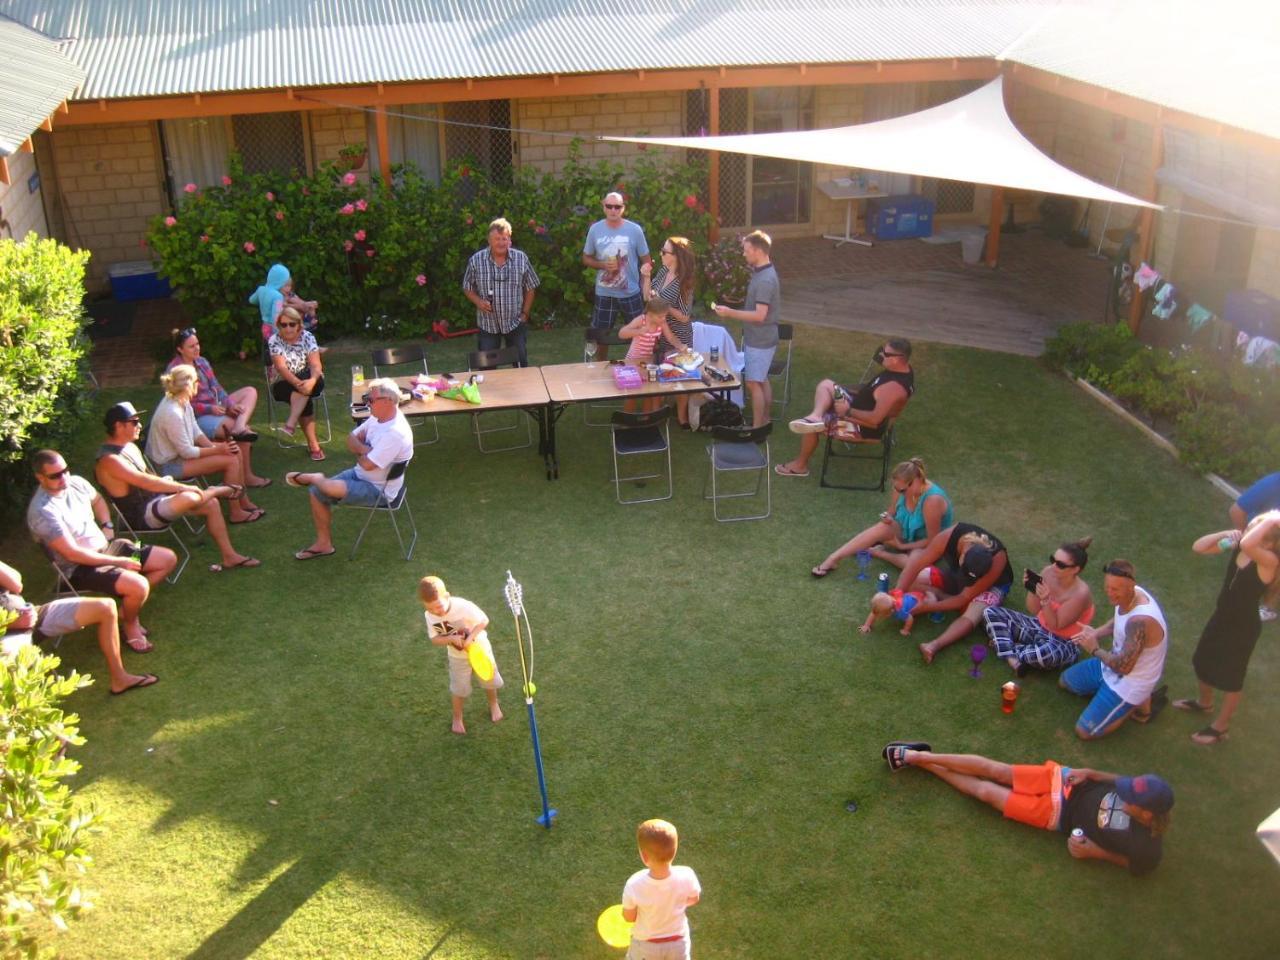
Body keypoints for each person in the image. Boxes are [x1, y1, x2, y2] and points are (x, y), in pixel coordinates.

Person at [881, 742, 1172, 876]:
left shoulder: (1147, 848)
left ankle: (923, 763)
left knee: (985, 793)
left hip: (1057, 816)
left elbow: (1135, 866)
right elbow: (1115, 779)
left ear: (1147, 814)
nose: (1124, 793)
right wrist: (1088, 772)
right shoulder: (1139, 790)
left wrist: (1095, 852)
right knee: (996, 770)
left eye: (1129, 798)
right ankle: (919, 754)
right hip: (1066, 781)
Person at [27, 449, 176, 652]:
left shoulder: (76, 482)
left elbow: (97, 500)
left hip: (110, 547)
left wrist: (107, 525)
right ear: (40, 477)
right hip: (81, 566)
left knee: (167, 559)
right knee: (138, 585)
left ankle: (125, 612)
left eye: (65, 470)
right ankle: (130, 625)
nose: (63, 478)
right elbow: (72, 553)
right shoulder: (42, 511)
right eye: (55, 475)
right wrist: (119, 563)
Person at [95, 401, 261, 573]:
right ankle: (216, 491)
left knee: (211, 504)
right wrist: (184, 488)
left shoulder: (128, 446)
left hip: (155, 500)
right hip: (141, 514)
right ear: (119, 426)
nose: (140, 425)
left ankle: (229, 556)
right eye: (135, 422)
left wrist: (173, 487)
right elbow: (146, 482)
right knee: (190, 495)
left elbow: (151, 478)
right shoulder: (110, 460)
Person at [1173, 510, 1280, 744]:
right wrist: (1225, 534)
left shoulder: (1270, 561)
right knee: (1201, 660)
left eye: (1256, 530)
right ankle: (1205, 703)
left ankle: (1221, 727)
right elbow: (1199, 547)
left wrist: (1272, 519)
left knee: (1232, 678)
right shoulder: (1242, 547)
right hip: (1222, 617)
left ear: (1271, 543)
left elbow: (1249, 543)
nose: (1249, 533)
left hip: (1242, 627)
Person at [285, 378, 413, 560]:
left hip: (379, 490)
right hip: (362, 475)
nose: (367, 402)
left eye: (372, 399)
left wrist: (361, 452)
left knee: (323, 486)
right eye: (367, 398)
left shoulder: (395, 433)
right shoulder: (378, 419)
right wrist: (363, 450)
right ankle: (324, 544)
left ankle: (316, 477)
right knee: (316, 491)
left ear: (389, 401)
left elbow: (366, 464)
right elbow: (350, 439)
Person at [1, 559, 157, 694]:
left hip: (32, 614)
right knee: (10, 662)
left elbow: (16, 583)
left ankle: (120, 679)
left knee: (105, 607)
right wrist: (11, 622)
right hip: (6, 635)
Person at [1060, 559, 1168, 739]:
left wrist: (1094, 649)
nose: (1109, 593)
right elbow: (1118, 621)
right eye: (1107, 587)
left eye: (1115, 589)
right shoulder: (1131, 596)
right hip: (1112, 662)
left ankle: (1135, 704)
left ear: (1131, 586)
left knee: (1085, 732)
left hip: (1131, 681)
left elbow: (1124, 667)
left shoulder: (1141, 621)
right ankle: (1110, 696)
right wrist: (1096, 633)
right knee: (1065, 681)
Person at [145, 365, 265, 524]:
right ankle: (236, 512)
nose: (199, 385)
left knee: (233, 452)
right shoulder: (172, 413)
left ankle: (243, 501)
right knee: (230, 460)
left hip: (180, 455)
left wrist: (214, 448)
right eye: (196, 381)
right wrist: (218, 449)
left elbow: (195, 430)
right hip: (168, 465)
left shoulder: (181, 400)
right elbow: (187, 452)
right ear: (188, 386)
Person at [776, 339, 913, 477]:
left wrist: (847, 411)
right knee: (827, 384)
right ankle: (815, 416)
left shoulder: (893, 388)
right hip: (855, 405)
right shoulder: (904, 370)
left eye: (886, 354)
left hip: (861, 427)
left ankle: (800, 466)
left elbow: (874, 420)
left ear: (897, 359)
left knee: (811, 427)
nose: (881, 355)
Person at [811, 457, 952, 577]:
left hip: (927, 542)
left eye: (902, 490)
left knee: (914, 565)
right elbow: (892, 511)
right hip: (906, 530)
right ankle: (833, 559)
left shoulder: (932, 500)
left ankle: (878, 553)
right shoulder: (900, 486)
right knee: (881, 527)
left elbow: (933, 540)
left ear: (918, 480)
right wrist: (887, 518)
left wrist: (903, 545)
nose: (899, 492)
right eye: (896, 489)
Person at [895, 522, 1012, 664]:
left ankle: (933, 645)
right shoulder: (948, 537)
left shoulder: (997, 560)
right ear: (962, 555)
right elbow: (918, 564)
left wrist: (926, 608)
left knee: (973, 612)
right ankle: (942, 596)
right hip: (956, 574)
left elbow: (964, 597)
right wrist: (896, 596)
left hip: (993, 585)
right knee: (916, 579)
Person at [982, 537, 1096, 676]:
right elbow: (1034, 610)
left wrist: (1046, 600)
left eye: (1060, 564)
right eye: (1052, 560)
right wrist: (1033, 589)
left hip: (1063, 642)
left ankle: (1003, 644)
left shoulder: (1080, 594)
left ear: (1075, 569)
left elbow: (1056, 625)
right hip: (1038, 627)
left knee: (1045, 655)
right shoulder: (1048, 572)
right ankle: (1014, 657)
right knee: (990, 612)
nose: (1054, 566)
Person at [418, 575, 503, 735]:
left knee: (488, 678)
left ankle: (493, 704)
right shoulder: (430, 616)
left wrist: (470, 638)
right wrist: (450, 638)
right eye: (430, 608)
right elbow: (435, 639)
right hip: (457, 656)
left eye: (439, 606)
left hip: (480, 650)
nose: (436, 611)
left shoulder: (464, 606)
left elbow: (484, 620)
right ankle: (457, 717)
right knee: (459, 687)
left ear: (447, 596)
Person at [167, 326, 266, 463]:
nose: (197, 348)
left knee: (250, 391)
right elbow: (181, 405)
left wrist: (230, 405)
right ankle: (246, 476)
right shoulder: (176, 371)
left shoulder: (201, 362)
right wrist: (210, 409)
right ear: (180, 349)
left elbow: (216, 387)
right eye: (191, 346)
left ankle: (239, 426)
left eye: (197, 344)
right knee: (243, 432)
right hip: (197, 417)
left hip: (216, 404)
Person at [712, 231, 780, 429]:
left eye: (746, 250)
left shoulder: (765, 279)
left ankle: (757, 427)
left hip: (760, 339)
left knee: (753, 383)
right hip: (762, 337)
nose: (744, 254)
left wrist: (731, 313)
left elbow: (760, 315)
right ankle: (765, 419)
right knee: (761, 379)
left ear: (758, 251)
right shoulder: (761, 272)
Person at [462, 217, 541, 367]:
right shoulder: (476, 261)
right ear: (489, 240)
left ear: (509, 240)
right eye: (497, 239)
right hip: (488, 324)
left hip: (515, 322)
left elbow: (531, 286)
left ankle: (521, 389)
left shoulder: (521, 259)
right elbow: (467, 286)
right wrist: (478, 302)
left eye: (504, 239)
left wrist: (525, 313)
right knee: (487, 366)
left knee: (521, 365)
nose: (501, 243)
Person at [583, 191, 650, 360]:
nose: (613, 210)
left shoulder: (634, 230)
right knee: (601, 336)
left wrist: (644, 285)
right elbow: (586, 258)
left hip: (631, 292)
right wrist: (602, 265)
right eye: (609, 206)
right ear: (603, 207)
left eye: (617, 207)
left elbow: (646, 261)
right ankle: (600, 368)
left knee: (641, 334)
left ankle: (642, 364)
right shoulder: (595, 229)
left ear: (623, 208)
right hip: (604, 293)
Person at [621, 819, 701, 959]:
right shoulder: (687, 874)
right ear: (675, 851)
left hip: (646, 945)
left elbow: (629, 917)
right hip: (678, 943)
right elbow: (694, 898)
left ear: (644, 856)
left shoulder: (634, 884)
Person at [641, 236, 696, 427]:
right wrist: (646, 277)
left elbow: (685, 316)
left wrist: (663, 306)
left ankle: (681, 417)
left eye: (665, 252)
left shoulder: (685, 281)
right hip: (658, 333)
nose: (661, 254)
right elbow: (648, 297)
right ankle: (657, 414)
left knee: (679, 377)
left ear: (676, 256)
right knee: (658, 375)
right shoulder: (663, 271)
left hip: (678, 334)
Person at [268, 306, 327, 459]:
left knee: (310, 378)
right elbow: (281, 368)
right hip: (283, 382)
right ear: (279, 325)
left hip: (310, 379)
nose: (287, 328)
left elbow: (315, 364)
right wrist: (300, 384)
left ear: (299, 324)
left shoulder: (308, 337)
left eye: (291, 324)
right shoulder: (274, 340)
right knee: (304, 393)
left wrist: (312, 381)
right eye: (283, 324)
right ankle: (314, 445)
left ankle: (291, 423)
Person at [1229, 471, 1280, 621]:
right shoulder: (1274, 483)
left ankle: (1269, 604)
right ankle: (1267, 604)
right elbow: (1236, 511)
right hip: (1260, 542)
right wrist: (1246, 536)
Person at [619, 298, 683, 413]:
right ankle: (626, 422)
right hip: (633, 360)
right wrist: (638, 332)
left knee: (649, 392)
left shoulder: (661, 323)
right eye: (660, 316)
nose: (663, 319)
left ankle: (647, 420)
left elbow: (670, 337)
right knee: (632, 394)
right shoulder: (641, 320)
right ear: (650, 314)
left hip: (647, 361)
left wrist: (680, 345)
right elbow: (622, 333)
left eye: (664, 316)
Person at [249, 262, 318, 340]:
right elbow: (276, 318)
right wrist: (281, 335)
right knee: (298, 330)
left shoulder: (261, 289)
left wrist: (263, 301)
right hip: (274, 331)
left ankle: (312, 347)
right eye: (285, 285)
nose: (289, 289)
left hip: (265, 329)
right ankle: (312, 348)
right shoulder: (278, 297)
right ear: (279, 283)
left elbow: (251, 300)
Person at [861, 586, 938, 637]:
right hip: (909, 596)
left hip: (918, 600)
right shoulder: (890, 601)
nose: (877, 616)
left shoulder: (900, 612)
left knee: (930, 604)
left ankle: (931, 596)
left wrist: (905, 630)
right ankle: (925, 591)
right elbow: (874, 613)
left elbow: (910, 618)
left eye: (881, 615)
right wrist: (867, 625)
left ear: (890, 613)